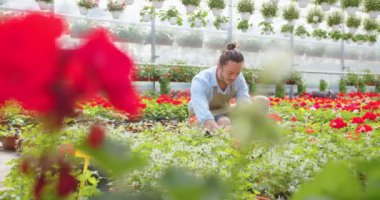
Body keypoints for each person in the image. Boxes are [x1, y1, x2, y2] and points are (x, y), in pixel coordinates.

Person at [188, 43, 269, 131]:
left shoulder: (238, 77)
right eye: (230, 73)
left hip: (225, 110)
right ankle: (227, 128)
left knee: (262, 101)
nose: (234, 77)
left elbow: (244, 102)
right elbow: (203, 113)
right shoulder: (201, 80)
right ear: (219, 66)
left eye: (237, 73)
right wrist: (215, 129)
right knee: (224, 122)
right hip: (200, 114)